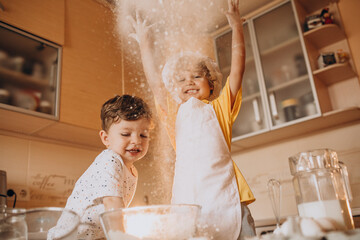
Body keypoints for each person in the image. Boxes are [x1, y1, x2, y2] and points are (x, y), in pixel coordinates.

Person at [129, 0, 255, 239]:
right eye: (181, 79)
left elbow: (237, 71)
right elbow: (155, 82)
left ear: (211, 84)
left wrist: (237, 27)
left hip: (230, 201)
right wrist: (145, 44)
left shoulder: (220, 108)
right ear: (174, 90)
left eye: (197, 76)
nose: (189, 82)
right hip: (190, 202)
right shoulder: (173, 114)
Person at [48, 94, 153, 239]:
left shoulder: (132, 170)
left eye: (143, 135)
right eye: (125, 134)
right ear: (106, 138)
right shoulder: (110, 160)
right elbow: (112, 202)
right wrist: (121, 236)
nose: (136, 140)